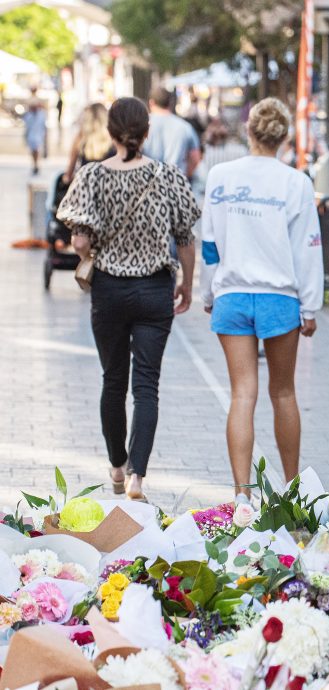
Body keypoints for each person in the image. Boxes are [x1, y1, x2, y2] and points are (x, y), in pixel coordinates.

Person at [57, 96, 200, 501]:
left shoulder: (92, 176)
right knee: (146, 385)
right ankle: (138, 476)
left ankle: (117, 466)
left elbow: (79, 241)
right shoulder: (168, 176)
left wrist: (89, 251)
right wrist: (187, 284)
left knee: (113, 380)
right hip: (155, 290)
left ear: (110, 132)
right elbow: (185, 238)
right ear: (146, 132)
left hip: (110, 291)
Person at [200, 98, 324, 502]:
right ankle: (292, 488)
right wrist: (310, 306)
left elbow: (209, 243)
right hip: (279, 298)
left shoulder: (220, 176)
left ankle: (241, 495)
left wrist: (208, 292)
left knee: (242, 394)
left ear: (248, 130)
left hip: (232, 293)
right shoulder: (296, 182)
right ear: (284, 137)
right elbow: (308, 248)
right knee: (283, 393)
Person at [145, 86, 201, 179]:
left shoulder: (141, 125)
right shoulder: (185, 127)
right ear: (170, 103)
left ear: (151, 102)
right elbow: (195, 158)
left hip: (147, 181)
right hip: (175, 181)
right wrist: (183, 177)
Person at [63, 103, 114, 184]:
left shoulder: (80, 139)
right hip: (109, 187)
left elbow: (68, 175)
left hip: (85, 187)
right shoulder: (114, 141)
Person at [22, 88, 46, 175]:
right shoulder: (29, 115)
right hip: (32, 131)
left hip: (37, 132)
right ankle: (35, 164)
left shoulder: (40, 114)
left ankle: (36, 164)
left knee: (36, 149)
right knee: (33, 149)